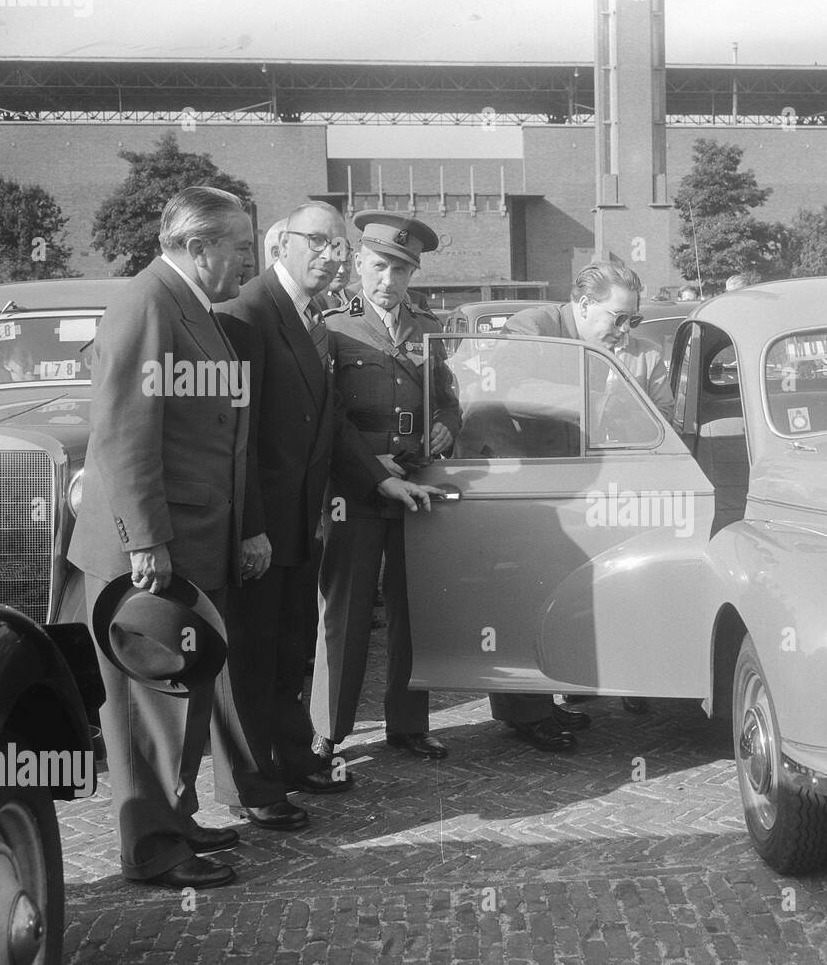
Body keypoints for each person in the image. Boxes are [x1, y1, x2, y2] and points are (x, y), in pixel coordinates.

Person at [68, 186, 296, 888]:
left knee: (183, 698)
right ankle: (151, 847)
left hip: (190, 543)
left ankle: (177, 817)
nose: (246, 260)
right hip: (150, 551)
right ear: (199, 248)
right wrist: (145, 542)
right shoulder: (148, 302)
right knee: (148, 710)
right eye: (238, 246)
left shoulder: (193, 308)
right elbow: (123, 431)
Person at [216, 201, 434, 802]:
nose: (331, 257)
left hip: (306, 516)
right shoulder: (247, 312)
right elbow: (239, 438)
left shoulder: (307, 316)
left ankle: (289, 760)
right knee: (259, 656)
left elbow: (329, 419)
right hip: (269, 521)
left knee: (290, 648)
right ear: (279, 243)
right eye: (319, 243)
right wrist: (250, 527)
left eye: (337, 246)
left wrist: (381, 477)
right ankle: (254, 787)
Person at [310, 211, 455, 762]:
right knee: (343, 610)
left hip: (416, 483)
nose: (387, 280)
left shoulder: (427, 327)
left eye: (400, 269)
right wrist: (372, 468)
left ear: (412, 274)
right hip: (354, 489)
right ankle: (327, 728)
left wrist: (449, 424)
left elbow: (448, 398)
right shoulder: (332, 324)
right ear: (357, 264)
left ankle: (408, 724)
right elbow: (326, 415)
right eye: (378, 266)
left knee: (411, 605)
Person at [483, 260, 645, 751]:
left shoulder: (598, 343)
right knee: (522, 597)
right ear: (582, 304)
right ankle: (526, 715)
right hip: (520, 485)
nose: (624, 330)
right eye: (618, 318)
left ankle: (544, 701)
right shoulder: (533, 327)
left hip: (565, 485)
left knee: (554, 593)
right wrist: (591, 396)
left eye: (632, 320)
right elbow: (506, 389)